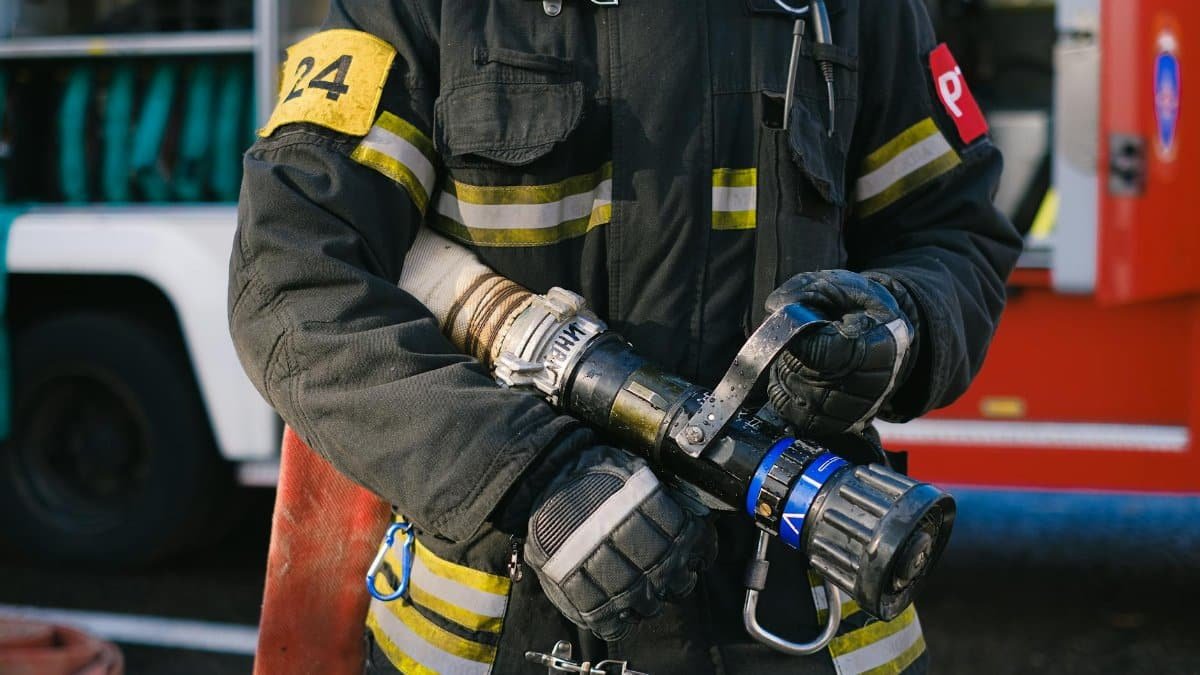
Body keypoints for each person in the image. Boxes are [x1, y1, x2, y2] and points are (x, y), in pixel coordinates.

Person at [229, 0, 1021, 672]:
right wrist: (532, 474)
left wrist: (898, 322)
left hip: (793, 625)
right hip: (514, 623)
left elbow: (955, 233)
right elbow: (289, 277)